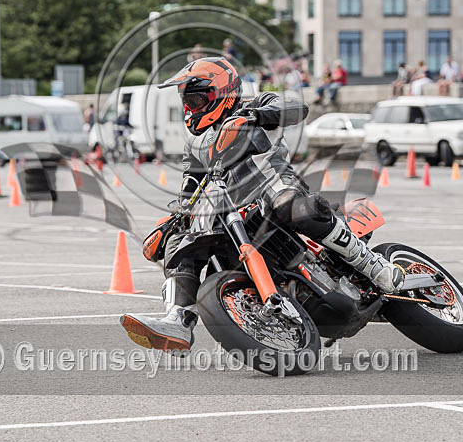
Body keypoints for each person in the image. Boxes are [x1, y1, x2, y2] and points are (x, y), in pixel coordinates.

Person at [120, 57, 405, 351]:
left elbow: (296, 108)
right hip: (230, 208)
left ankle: (373, 266)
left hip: (274, 187)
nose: (191, 108)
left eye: (196, 99)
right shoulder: (196, 143)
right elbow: (190, 184)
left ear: (221, 92)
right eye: (187, 101)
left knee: (291, 206)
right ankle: (178, 320)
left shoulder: (252, 107)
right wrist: (177, 217)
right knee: (182, 243)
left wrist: (257, 115)